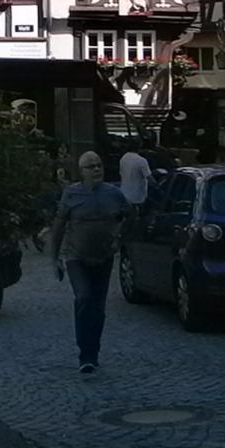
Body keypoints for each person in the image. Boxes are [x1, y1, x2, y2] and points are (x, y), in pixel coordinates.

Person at [48, 151, 132, 375]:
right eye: (91, 166)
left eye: (99, 165)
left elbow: (128, 217)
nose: (97, 169)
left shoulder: (114, 194)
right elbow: (58, 227)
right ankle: (84, 354)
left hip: (103, 257)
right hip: (76, 257)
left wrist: (118, 237)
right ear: (82, 171)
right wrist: (54, 258)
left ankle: (93, 352)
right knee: (84, 298)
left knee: (98, 307)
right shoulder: (71, 194)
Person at [118, 141, 151, 207]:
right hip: (137, 196)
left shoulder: (123, 158)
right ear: (139, 148)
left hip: (124, 193)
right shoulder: (141, 160)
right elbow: (149, 177)